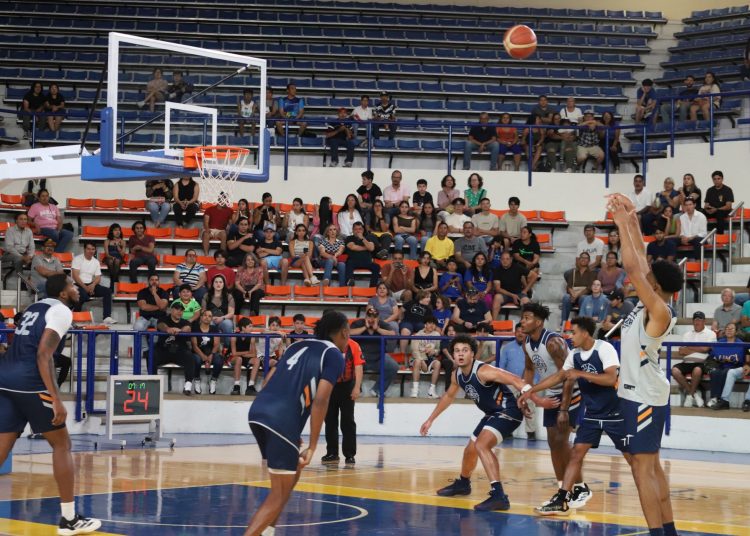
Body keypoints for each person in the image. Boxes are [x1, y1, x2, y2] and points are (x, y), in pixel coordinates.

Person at [605, 191, 684, 535]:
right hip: (640, 394)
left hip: (643, 397)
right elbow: (640, 257)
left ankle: (657, 532)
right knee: (651, 467)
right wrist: (632, 219)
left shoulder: (659, 310)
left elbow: (633, 266)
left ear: (656, 285)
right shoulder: (654, 300)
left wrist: (620, 224)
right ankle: (667, 531)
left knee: (642, 469)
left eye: (650, 277)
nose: (645, 276)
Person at [0, 274, 101, 534]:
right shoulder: (62, 311)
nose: (76, 288)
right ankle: (69, 520)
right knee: (62, 445)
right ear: (63, 293)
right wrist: (56, 398)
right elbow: (43, 355)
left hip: (6, 378)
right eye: (72, 285)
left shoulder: (35, 307)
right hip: (30, 382)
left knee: (2, 447)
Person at [419, 333, 556, 511]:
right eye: (457, 351)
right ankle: (463, 483)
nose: (460, 354)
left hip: (508, 412)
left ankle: (499, 496)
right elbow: (448, 396)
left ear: (472, 354)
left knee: (481, 445)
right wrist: (430, 420)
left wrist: (538, 400)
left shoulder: (484, 371)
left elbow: (517, 380)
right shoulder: (456, 375)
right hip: (492, 414)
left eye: (465, 350)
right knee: (470, 450)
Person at [245, 310, 348, 535]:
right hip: (281, 418)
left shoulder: (296, 346)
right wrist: (312, 445)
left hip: (258, 410)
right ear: (343, 332)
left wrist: (289, 427)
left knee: (292, 472)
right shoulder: (334, 355)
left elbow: (270, 377)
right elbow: (321, 400)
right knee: (279, 493)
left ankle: (268, 531)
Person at [522, 316, 627, 515]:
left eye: (574, 332)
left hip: (616, 413)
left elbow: (610, 378)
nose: (570, 336)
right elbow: (559, 376)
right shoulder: (574, 354)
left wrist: (580, 374)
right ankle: (562, 499)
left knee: (634, 459)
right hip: (593, 414)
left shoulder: (605, 348)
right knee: (576, 454)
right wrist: (531, 390)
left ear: (585, 333)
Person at [520, 302, 588, 506]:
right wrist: (526, 394)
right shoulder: (526, 342)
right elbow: (529, 370)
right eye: (522, 317)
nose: (522, 322)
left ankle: (580, 488)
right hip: (552, 393)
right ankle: (562, 490)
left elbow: (569, 376)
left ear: (538, 322)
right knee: (554, 443)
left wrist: (564, 409)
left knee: (561, 440)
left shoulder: (553, 343)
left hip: (571, 392)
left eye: (527, 318)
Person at [322, 338, 364, 465]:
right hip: (330, 385)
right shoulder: (326, 344)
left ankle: (349, 455)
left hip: (347, 386)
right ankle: (332, 453)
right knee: (330, 420)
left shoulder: (354, 345)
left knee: (348, 421)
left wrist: (357, 387)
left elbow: (358, 366)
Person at [498, 322, 539, 440]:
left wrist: (532, 384)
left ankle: (531, 432)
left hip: (527, 383)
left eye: (523, 332)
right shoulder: (507, 347)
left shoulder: (533, 348)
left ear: (527, 333)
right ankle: (508, 431)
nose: (520, 334)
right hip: (510, 383)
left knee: (530, 402)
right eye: (518, 332)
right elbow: (501, 367)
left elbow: (536, 368)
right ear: (515, 333)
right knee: (509, 404)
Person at [350, 307, 399, 396]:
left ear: (378, 318)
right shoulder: (358, 323)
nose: (371, 319)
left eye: (374, 317)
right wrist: (365, 327)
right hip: (361, 358)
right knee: (349, 364)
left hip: (379, 357)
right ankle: (357, 389)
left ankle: (377, 390)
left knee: (393, 366)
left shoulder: (382, 324)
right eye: (369, 317)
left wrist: (377, 329)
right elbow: (350, 332)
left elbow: (392, 334)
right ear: (366, 317)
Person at [672, 311, 715, 408]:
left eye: (699, 320)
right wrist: (699, 348)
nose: (697, 322)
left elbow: (706, 349)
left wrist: (689, 348)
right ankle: (693, 394)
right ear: (693, 321)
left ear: (704, 321)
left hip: (702, 362)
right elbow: (681, 351)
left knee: (697, 370)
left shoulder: (711, 334)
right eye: (695, 320)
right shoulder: (687, 334)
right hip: (687, 361)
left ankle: (690, 395)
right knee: (674, 370)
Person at [71, 242, 116, 325]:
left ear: (95, 250)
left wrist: (93, 285)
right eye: (88, 249)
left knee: (107, 291)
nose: (90, 251)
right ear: (84, 249)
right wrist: (86, 288)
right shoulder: (77, 259)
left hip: (90, 285)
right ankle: (75, 316)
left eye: (93, 249)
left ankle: (107, 317)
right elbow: (75, 276)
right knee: (82, 295)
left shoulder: (96, 262)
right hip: (78, 284)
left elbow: (98, 277)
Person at [706, 322, 744, 409]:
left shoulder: (740, 343)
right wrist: (726, 358)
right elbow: (714, 355)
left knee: (725, 372)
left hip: (734, 367)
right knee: (715, 372)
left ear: (736, 332)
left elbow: (739, 359)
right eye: (727, 328)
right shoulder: (720, 342)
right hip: (721, 365)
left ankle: (720, 399)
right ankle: (714, 398)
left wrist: (726, 358)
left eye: (731, 329)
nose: (729, 330)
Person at [27, 188, 72, 253]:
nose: (45, 198)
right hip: (43, 228)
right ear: (39, 198)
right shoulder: (34, 206)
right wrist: (35, 224)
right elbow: (28, 221)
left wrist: (59, 229)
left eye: (47, 196)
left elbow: (59, 220)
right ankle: (56, 253)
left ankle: (56, 252)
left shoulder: (54, 206)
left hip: (55, 229)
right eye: (43, 196)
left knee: (69, 234)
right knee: (54, 233)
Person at [190, 309, 222, 396]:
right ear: (201, 317)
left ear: (211, 319)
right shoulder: (195, 328)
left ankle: (213, 380)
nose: (207, 317)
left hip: (211, 352)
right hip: (198, 352)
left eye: (209, 316)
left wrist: (211, 355)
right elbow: (194, 345)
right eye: (205, 315)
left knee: (219, 360)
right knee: (196, 360)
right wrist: (203, 356)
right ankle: (197, 380)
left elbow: (216, 345)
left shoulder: (214, 328)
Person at [410, 316, 443, 398]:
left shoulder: (437, 335)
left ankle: (431, 391)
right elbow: (414, 351)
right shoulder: (418, 335)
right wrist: (422, 360)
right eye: (430, 323)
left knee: (438, 363)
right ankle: (415, 390)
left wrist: (434, 351)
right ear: (425, 324)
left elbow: (438, 349)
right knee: (417, 361)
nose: (432, 326)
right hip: (419, 358)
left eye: (434, 324)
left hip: (430, 359)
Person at [561, 252, 597, 327]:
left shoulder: (592, 272)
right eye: (582, 257)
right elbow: (569, 286)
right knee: (566, 297)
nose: (584, 259)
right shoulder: (573, 272)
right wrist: (572, 294)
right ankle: (563, 324)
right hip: (573, 294)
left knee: (584, 298)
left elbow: (589, 288)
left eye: (586, 258)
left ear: (589, 260)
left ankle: (580, 325)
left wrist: (577, 295)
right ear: (579, 259)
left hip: (584, 295)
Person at [228, 317, 258, 395]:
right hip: (233, 358)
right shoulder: (234, 336)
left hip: (245, 357)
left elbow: (254, 354)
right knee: (239, 359)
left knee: (257, 360)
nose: (252, 328)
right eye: (250, 326)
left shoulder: (252, 337)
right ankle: (236, 386)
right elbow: (234, 353)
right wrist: (247, 352)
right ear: (243, 328)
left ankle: (251, 386)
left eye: (252, 326)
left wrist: (245, 354)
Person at [344, 222, 380, 287]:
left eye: (360, 229)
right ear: (352, 230)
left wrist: (363, 239)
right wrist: (366, 247)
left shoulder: (368, 238)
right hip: (353, 261)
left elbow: (371, 248)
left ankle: (372, 287)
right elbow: (352, 247)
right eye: (356, 229)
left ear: (363, 230)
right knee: (349, 263)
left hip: (367, 262)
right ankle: (350, 282)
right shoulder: (349, 238)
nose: (358, 231)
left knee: (376, 267)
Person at [201, 274, 235, 341]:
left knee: (228, 323)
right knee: (208, 322)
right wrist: (211, 317)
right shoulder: (207, 296)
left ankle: (227, 346)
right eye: (216, 282)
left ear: (223, 284)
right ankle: (209, 345)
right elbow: (203, 311)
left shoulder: (229, 297)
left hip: (224, 319)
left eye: (220, 282)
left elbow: (231, 313)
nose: (218, 284)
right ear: (213, 284)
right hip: (210, 319)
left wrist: (222, 318)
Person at [703, 170, 734, 235]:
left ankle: (720, 236)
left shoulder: (727, 190)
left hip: (723, 211)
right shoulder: (710, 190)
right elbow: (706, 205)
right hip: (712, 211)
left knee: (720, 213)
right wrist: (707, 209)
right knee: (700, 212)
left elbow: (728, 206)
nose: (716, 181)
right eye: (714, 179)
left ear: (722, 179)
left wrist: (716, 209)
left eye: (718, 179)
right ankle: (701, 235)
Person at [102, 223, 125, 289]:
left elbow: (122, 255)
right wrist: (112, 257)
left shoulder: (122, 241)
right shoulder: (107, 241)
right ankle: (115, 281)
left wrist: (118, 247)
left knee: (117, 261)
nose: (117, 232)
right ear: (111, 231)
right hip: (109, 257)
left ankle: (112, 282)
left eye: (119, 230)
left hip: (119, 258)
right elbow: (107, 254)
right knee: (111, 261)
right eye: (115, 230)